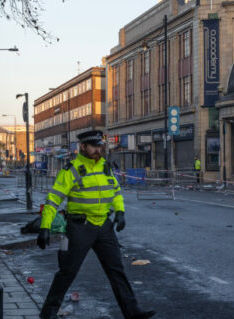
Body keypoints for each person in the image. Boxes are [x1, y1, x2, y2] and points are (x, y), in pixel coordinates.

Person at [36, 130, 155, 319]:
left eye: (99, 146)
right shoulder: (71, 170)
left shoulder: (105, 167)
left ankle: (132, 312)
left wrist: (120, 212)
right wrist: (45, 226)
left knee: (117, 270)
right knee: (67, 272)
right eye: (93, 146)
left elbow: (115, 191)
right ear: (82, 147)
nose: (97, 149)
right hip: (80, 227)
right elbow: (53, 200)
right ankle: (48, 313)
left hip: (104, 227)